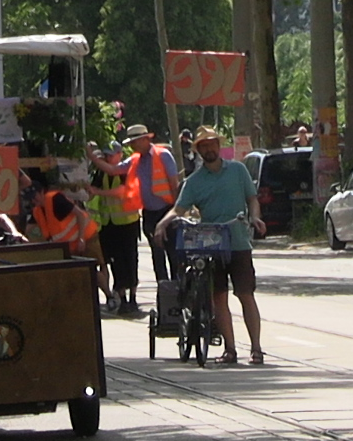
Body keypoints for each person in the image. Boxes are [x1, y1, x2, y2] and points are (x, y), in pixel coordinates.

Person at [153, 126, 266, 365]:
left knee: (245, 294)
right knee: (219, 298)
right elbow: (179, 208)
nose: (209, 149)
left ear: (218, 145)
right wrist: (163, 224)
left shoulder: (237, 170)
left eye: (212, 144)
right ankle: (230, 348)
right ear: (198, 150)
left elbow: (252, 199)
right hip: (211, 245)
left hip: (238, 242)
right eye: (203, 146)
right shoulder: (194, 181)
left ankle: (256, 348)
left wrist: (255, 217)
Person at [89, 123, 179, 284]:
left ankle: (178, 290)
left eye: (134, 142)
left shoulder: (163, 155)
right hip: (150, 214)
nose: (132, 145)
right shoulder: (135, 160)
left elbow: (174, 185)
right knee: (157, 255)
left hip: (167, 211)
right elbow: (113, 170)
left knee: (173, 254)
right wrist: (93, 158)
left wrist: (176, 212)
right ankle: (164, 292)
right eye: (130, 143)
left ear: (145, 139)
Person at [83, 142, 142, 315]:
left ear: (120, 154)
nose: (108, 158)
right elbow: (93, 190)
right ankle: (122, 298)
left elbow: (121, 191)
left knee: (130, 260)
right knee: (116, 262)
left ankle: (133, 298)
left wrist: (97, 192)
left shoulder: (126, 171)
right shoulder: (102, 173)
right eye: (106, 155)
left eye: (111, 155)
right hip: (110, 223)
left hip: (128, 222)